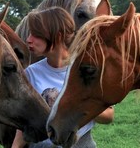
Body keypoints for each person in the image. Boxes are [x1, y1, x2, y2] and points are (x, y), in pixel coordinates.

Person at [12, 8, 114, 148]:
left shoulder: (86, 70)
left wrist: (78, 105)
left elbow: (109, 116)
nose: (28, 39)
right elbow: (25, 122)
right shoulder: (30, 73)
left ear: (58, 36)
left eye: (36, 34)